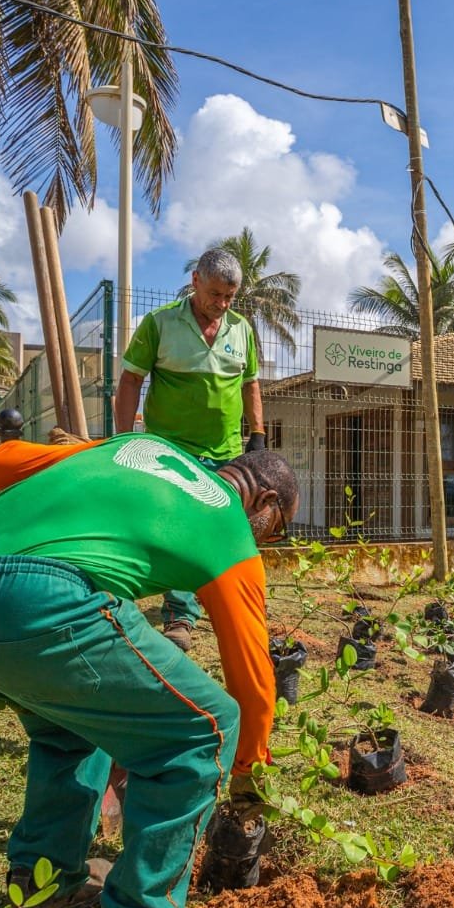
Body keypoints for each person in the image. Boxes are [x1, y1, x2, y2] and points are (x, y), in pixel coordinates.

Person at [0, 433, 297, 908]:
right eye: (275, 533)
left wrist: (88, 450)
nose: (267, 544)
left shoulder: (142, 447)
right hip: (33, 604)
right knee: (206, 726)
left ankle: (42, 889)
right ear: (265, 505)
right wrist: (246, 778)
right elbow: (252, 684)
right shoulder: (231, 528)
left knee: (71, 724)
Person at [115, 247, 267, 653]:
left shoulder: (241, 329)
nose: (221, 304)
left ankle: (225, 606)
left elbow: (250, 383)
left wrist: (258, 435)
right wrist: (125, 436)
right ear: (195, 280)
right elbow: (130, 382)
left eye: (229, 297)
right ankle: (180, 617)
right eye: (215, 294)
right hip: (172, 448)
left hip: (227, 449)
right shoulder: (160, 324)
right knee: (182, 531)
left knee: (227, 530)